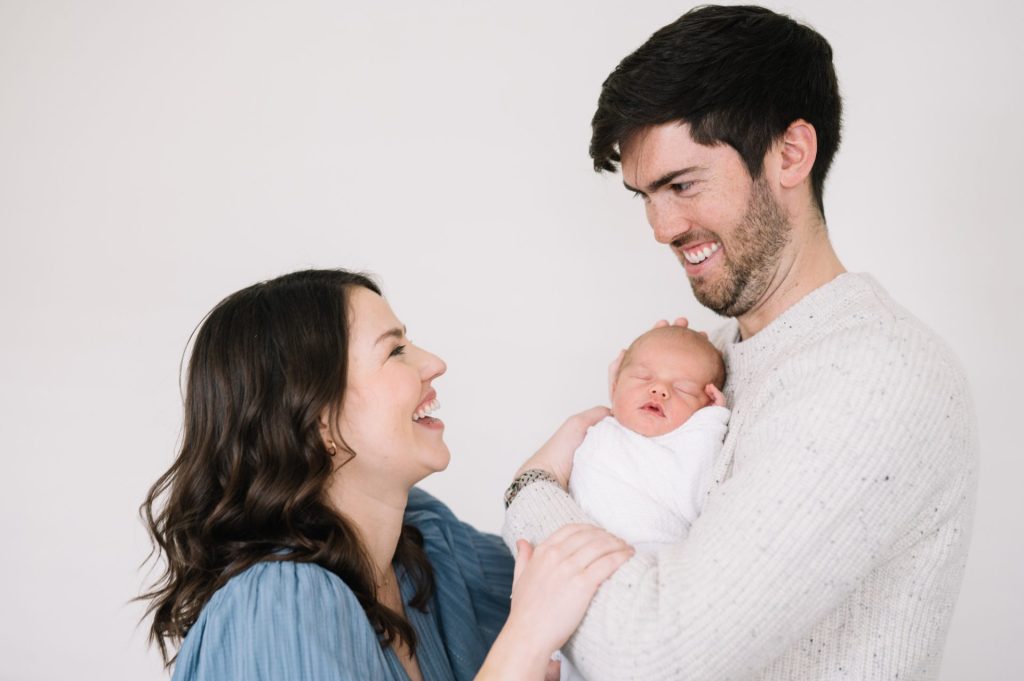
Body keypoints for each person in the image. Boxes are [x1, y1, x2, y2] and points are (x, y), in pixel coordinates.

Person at [502, 6, 977, 680]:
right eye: (644, 195)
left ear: (790, 154)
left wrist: (533, 489)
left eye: (682, 184)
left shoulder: (876, 374)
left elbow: (653, 652)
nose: (661, 227)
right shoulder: (711, 357)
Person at [139, 269, 633, 681]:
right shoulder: (272, 607)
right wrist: (522, 643)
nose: (433, 364)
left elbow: (590, 586)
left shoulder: (430, 549)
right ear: (319, 419)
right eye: (394, 350)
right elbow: (538, 613)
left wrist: (655, 416)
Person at [569, 326, 730, 550]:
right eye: (643, 377)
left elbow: (697, 492)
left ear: (706, 407)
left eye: (683, 389)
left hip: (644, 556)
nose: (659, 389)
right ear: (614, 385)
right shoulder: (596, 427)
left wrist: (709, 423)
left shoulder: (688, 450)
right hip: (566, 546)